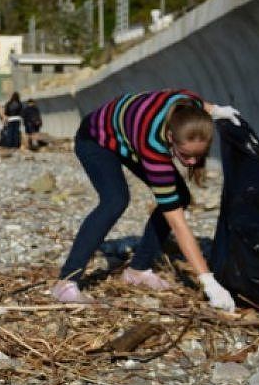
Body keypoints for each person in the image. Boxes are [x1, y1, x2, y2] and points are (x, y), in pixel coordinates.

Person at [52, 88, 239, 311]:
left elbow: (203, 105)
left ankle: (138, 270)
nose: (190, 162)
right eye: (185, 154)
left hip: (127, 132)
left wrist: (219, 111)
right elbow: (178, 224)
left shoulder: (188, 107)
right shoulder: (153, 146)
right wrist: (208, 281)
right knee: (115, 200)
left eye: (198, 155)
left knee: (179, 195)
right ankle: (66, 282)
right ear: (170, 137)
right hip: (95, 139)